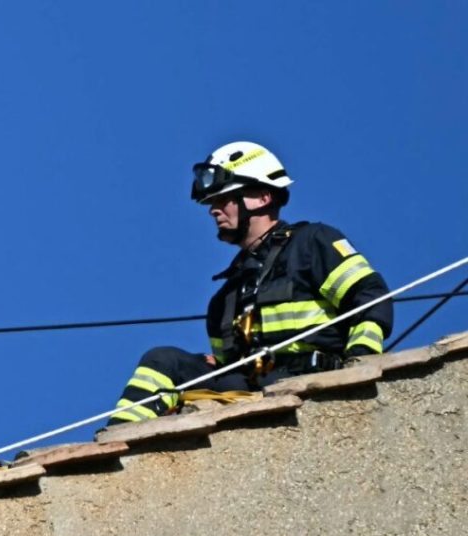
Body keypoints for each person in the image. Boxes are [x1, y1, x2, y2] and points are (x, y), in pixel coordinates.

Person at [107, 141, 393, 425]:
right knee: (163, 360)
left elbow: (370, 298)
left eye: (223, 200)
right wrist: (219, 366)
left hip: (310, 381)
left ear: (262, 197)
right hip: (248, 391)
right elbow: (228, 363)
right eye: (211, 203)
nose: (213, 210)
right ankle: (120, 440)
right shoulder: (226, 297)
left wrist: (360, 364)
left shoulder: (312, 243)